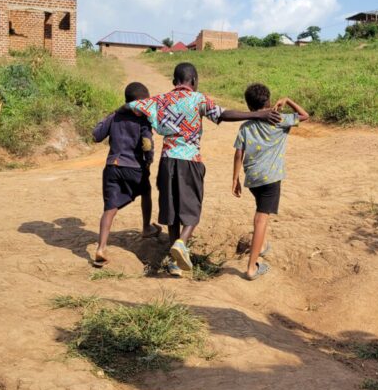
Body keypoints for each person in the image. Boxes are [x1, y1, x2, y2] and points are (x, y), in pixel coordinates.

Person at [123, 63, 282, 277]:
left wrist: (114, 114)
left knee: (172, 211)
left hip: (167, 160)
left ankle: (175, 262)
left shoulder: (159, 100)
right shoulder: (198, 99)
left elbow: (132, 105)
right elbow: (223, 114)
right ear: (195, 81)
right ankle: (182, 243)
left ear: (174, 82)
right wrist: (256, 115)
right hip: (190, 161)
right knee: (192, 209)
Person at [231, 83, 309, 280]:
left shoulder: (245, 126)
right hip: (272, 179)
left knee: (260, 209)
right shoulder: (280, 120)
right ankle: (252, 267)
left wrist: (235, 178)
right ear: (269, 101)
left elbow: (238, 153)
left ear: (249, 106)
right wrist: (288, 100)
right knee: (261, 218)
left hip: (253, 178)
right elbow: (305, 116)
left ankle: (262, 246)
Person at [91, 82, 161, 268]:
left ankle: (101, 247)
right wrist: (148, 162)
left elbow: (96, 135)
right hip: (134, 167)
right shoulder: (143, 120)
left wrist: (113, 113)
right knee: (146, 191)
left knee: (110, 208)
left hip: (112, 166)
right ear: (140, 103)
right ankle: (146, 227)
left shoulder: (115, 116)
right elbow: (147, 144)